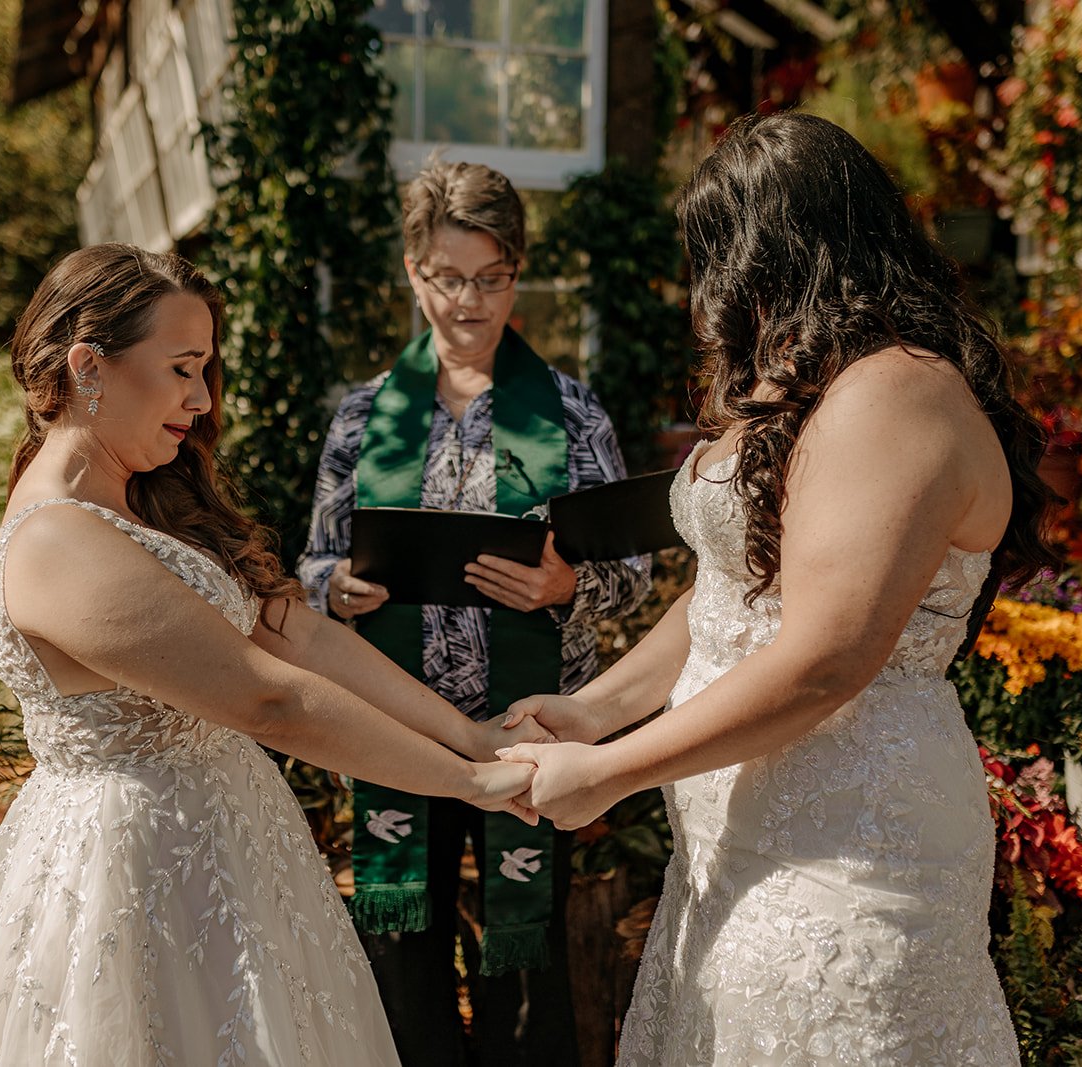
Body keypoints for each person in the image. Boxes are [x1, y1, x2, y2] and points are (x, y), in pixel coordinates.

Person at [0, 244, 549, 1067]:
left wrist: (472, 735)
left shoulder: (141, 499)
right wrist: (471, 784)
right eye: (182, 369)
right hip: (140, 875)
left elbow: (294, 633)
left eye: (205, 370)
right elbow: (265, 697)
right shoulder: (57, 537)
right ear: (88, 366)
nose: (202, 400)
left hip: (236, 849)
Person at [499, 111, 1054, 1064]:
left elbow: (825, 655)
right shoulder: (810, 390)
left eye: (714, 260)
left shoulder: (897, 393)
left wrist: (611, 773)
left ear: (775, 255)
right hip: (734, 839)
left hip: (846, 847)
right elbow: (725, 599)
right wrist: (593, 712)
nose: (706, 295)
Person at [297, 161, 651, 1067]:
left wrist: (566, 587)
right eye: (449, 277)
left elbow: (635, 571)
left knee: (521, 978)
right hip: (397, 730)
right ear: (414, 272)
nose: (469, 301)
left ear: (516, 274)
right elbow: (313, 565)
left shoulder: (571, 413)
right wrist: (337, 588)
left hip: (525, 729)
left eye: (491, 278)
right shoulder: (362, 416)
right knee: (402, 961)